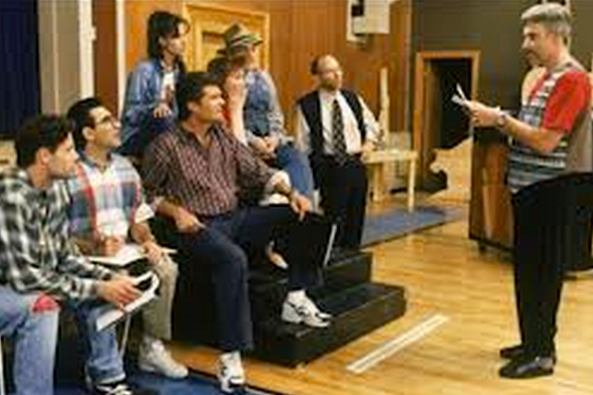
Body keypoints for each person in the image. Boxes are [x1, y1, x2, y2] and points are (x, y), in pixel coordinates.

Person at [142, 71, 333, 393]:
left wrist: (292, 194)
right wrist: (176, 211)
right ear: (191, 105)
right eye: (214, 98)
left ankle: (297, 295)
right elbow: (146, 196)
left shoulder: (223, 136)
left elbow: (259, 171)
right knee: (233, 260)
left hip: (234, 217)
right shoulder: (165, 145)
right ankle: (230, 357)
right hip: (195, 226)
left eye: (221, 96)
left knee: (304, 217)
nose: (222, 103)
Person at [465, 3, 592, 379]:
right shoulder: (545, 77)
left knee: (543, 275)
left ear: (556, 36)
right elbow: (534, 129)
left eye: (532, 36)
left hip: (551, 190)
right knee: (528, 272)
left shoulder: (572, 79)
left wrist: (500, 119)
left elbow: (546, 142)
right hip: (531, 189)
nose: (525, 44)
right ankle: (531, 341)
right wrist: (499, 118)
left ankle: (542, 353)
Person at [0, 115, 156, 395]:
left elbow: (64, 255)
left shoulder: (56, 188)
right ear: (45, 156)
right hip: (9, 288)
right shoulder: (11, 194)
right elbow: (24, 278)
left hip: (28, 283)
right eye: (70, 150)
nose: (76, 156)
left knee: (104, 288)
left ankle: (108, 382)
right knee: (43, 306)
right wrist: (98, 286)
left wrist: (108, 278)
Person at [66, 97, 188, 379]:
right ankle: (103, 367)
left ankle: (151, 348)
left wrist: (148, 241)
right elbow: (57, 233)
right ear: (88, 133)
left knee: (166, 268)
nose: (117, 124)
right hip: (87, 255)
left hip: (127, 249)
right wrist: (93, 244)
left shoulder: (125, 167)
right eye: (107, 120)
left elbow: (138, 218)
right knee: (117, 278)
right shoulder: (69, 172)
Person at [217, 23, 315, 201]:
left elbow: (275, 113)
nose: (254, 53)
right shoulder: (227, 79)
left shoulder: (264, 77)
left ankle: (305, 210)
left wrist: (274, 138)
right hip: (243, 144)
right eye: (250, 49)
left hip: (272, 141)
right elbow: (227, 120)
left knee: (298, 159)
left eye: (254, 48)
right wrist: (255, 142)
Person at [295, 54, 380, 249]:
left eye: (338, 69)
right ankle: (331, 260)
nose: (337, 75)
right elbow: (302, 144)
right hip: (328, 166)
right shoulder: (307, 105)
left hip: (355, 163)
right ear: (318, 76)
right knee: (334, 218)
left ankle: (353, 256)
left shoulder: (353, 99)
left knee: (356, 216)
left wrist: (369, 143)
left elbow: (372, 125)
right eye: (330, 71)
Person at [120, 11, 189, 160]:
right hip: (137, 135)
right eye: (177, 37)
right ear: (162, 40)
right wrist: (153, 108)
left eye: (184, 36)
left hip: (169, 133)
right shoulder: (144, 70)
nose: (184, 41)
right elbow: (130, 114)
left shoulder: (180, 71)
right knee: (164, 120)